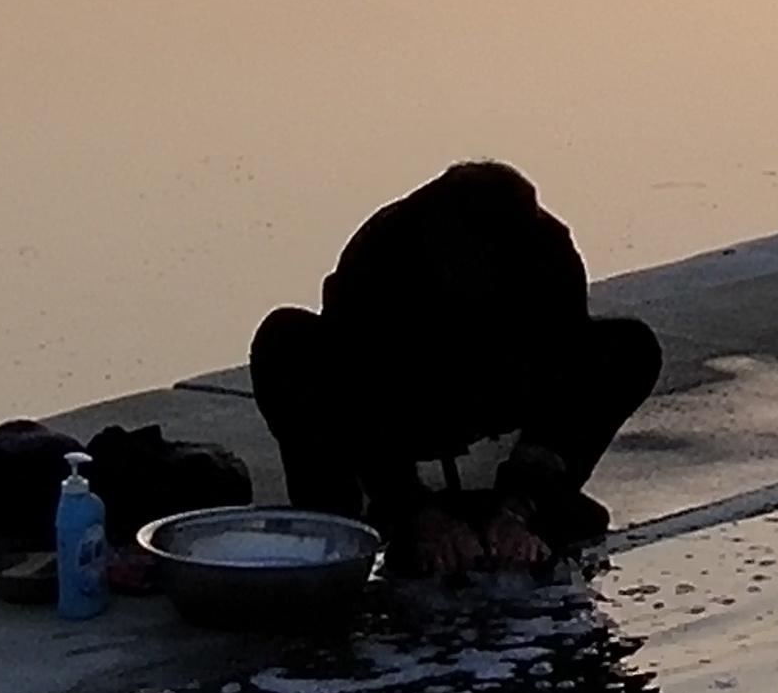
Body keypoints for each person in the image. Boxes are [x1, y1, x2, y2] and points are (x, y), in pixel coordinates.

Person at [249, 158, 662, 578]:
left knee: (629, 347)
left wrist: (520, 502)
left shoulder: (547, 250)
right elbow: (353, 391)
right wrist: (412, 508)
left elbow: (566, 368)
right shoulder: (383, 251)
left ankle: (529, 502)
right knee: (286, 343)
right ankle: (336, 528)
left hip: (500, 386)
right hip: (401, 399)